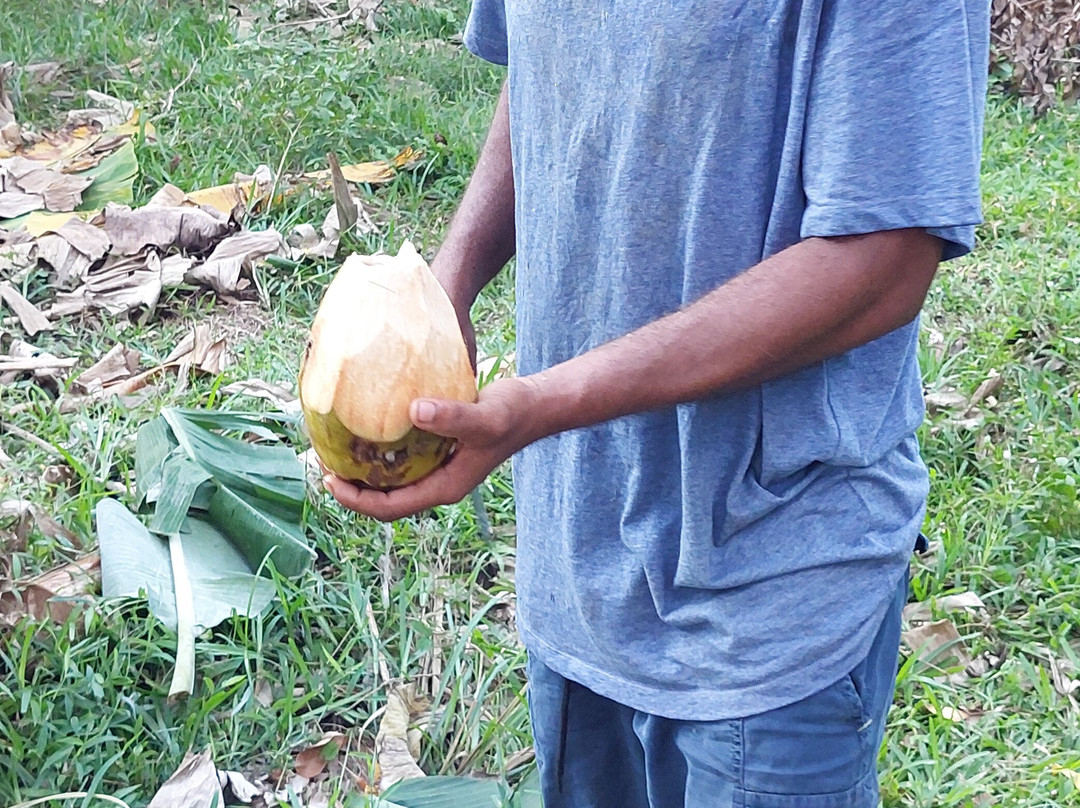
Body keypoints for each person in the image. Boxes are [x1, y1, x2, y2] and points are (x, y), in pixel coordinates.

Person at [325, 1, 990, 805]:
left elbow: (884, 259)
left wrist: (542, 405)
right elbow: (548, 68)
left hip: (765, 586)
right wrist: (442, 290)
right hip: (576, 562)